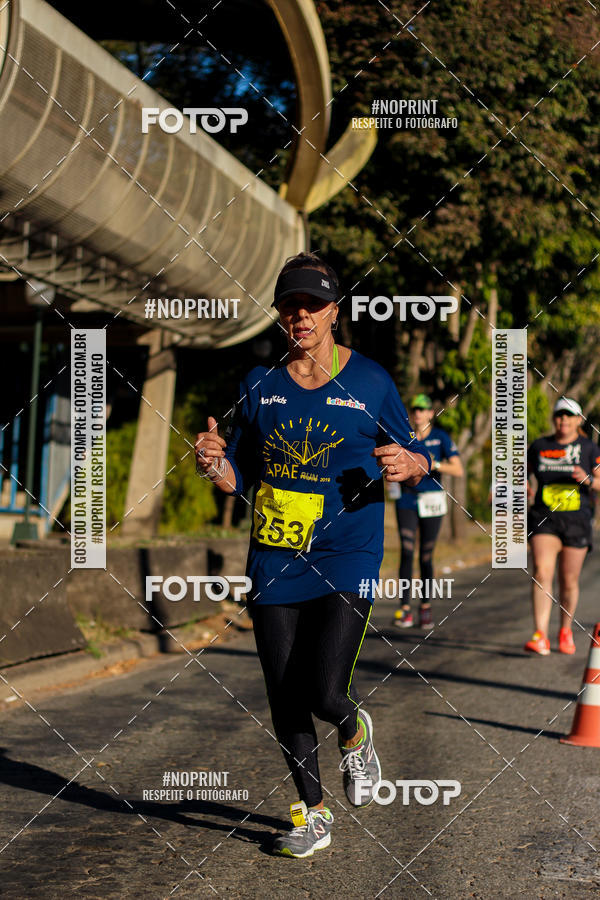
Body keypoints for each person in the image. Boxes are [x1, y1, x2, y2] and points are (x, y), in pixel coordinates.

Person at [195, 251, 430, 858]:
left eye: (312, 306)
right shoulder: (258, 383)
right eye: (289, 306)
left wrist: (408, 464)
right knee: (282, 689)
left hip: (348, 551)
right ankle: (313, 813)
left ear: (334, 312)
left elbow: (414, 455)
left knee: (324, 688)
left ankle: (355, 735)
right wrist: (212, 460)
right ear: (279, 314)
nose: (300, 316)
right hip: (275, 557)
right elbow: (234, 472)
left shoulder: (372, 380)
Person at [525, 397, 600, 655]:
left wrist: (589, 480)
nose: (563, 420)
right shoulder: (539, 446)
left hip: (577, 520)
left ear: (579, 420)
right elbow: (521, 472)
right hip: (544, 517)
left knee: (568, 581)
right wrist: (521, 486)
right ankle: (540, 635)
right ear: (553, 418)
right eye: (559, 415)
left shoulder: (589, 448)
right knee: (542, 572)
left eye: (569, 415)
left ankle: (565, 629)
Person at [391, 394, 463, 630]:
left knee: (425, 555)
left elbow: (458, 469)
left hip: (432, 499)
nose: (419, 413)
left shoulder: (440, 437)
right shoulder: (404, 436)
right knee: (407, 551)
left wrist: (433, 463)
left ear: (431, 413)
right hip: (406, 499)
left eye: (423, 409)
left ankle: (425, 606)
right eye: (415, 409)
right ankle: (404, 608)